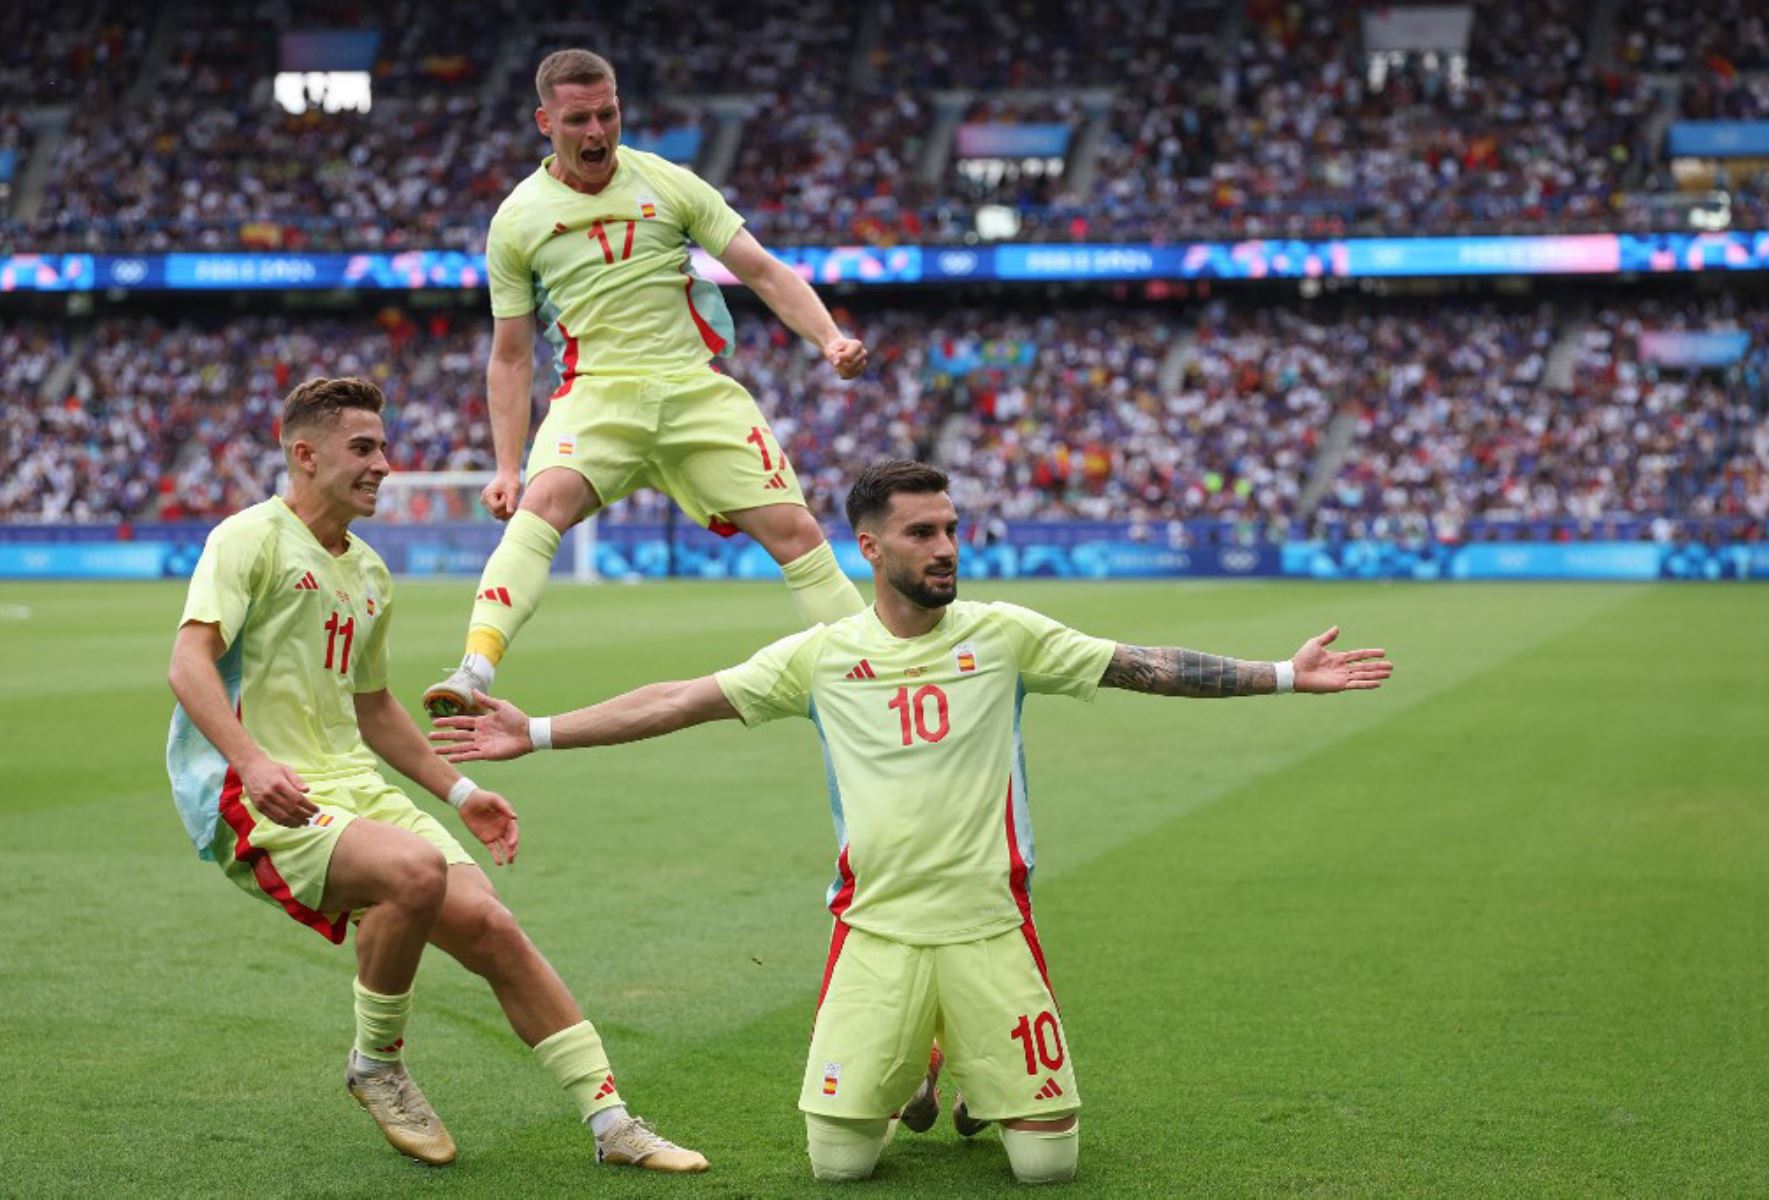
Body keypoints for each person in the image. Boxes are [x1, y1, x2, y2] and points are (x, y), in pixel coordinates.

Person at [430, 459, 1395, 1184]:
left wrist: (1281, 674)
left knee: (1046, 1171)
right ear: (872, 548)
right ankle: (927, 1067)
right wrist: (540, 731)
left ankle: (972, 1069)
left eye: (951, 529)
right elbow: (683, 699)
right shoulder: (822, 656)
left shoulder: (1005, 636)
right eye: (923, 533)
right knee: (838, 1166)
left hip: (990, 926)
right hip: (875, 930)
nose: (945, 548)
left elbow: (1139, 664)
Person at [165, 377, 707, 1174]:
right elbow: (188, 661)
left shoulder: (372, 574)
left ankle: (612, 1124)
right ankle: (376, 1063)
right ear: (304, 455)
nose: (384, 463)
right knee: (414, 872)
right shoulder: (248, 538)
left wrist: (460, 791)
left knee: (490, 924)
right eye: (363, 449)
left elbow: (376, 706)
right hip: (253, 792)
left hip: (350, 782)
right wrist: (250, 758)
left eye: (384, 447)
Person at [424, 47, 868, 718]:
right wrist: (505, 466)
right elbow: (511, 355)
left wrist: (828, 337)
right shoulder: (516, 221)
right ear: (545, 121)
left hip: (694, 388)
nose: (597, 133)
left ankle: (874, 672)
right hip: (595, 393)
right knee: (538, 506)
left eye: (608, 114)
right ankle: (474, 670)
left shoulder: (669, 184)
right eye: (578, 120)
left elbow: (764, 270)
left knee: (797, 531)